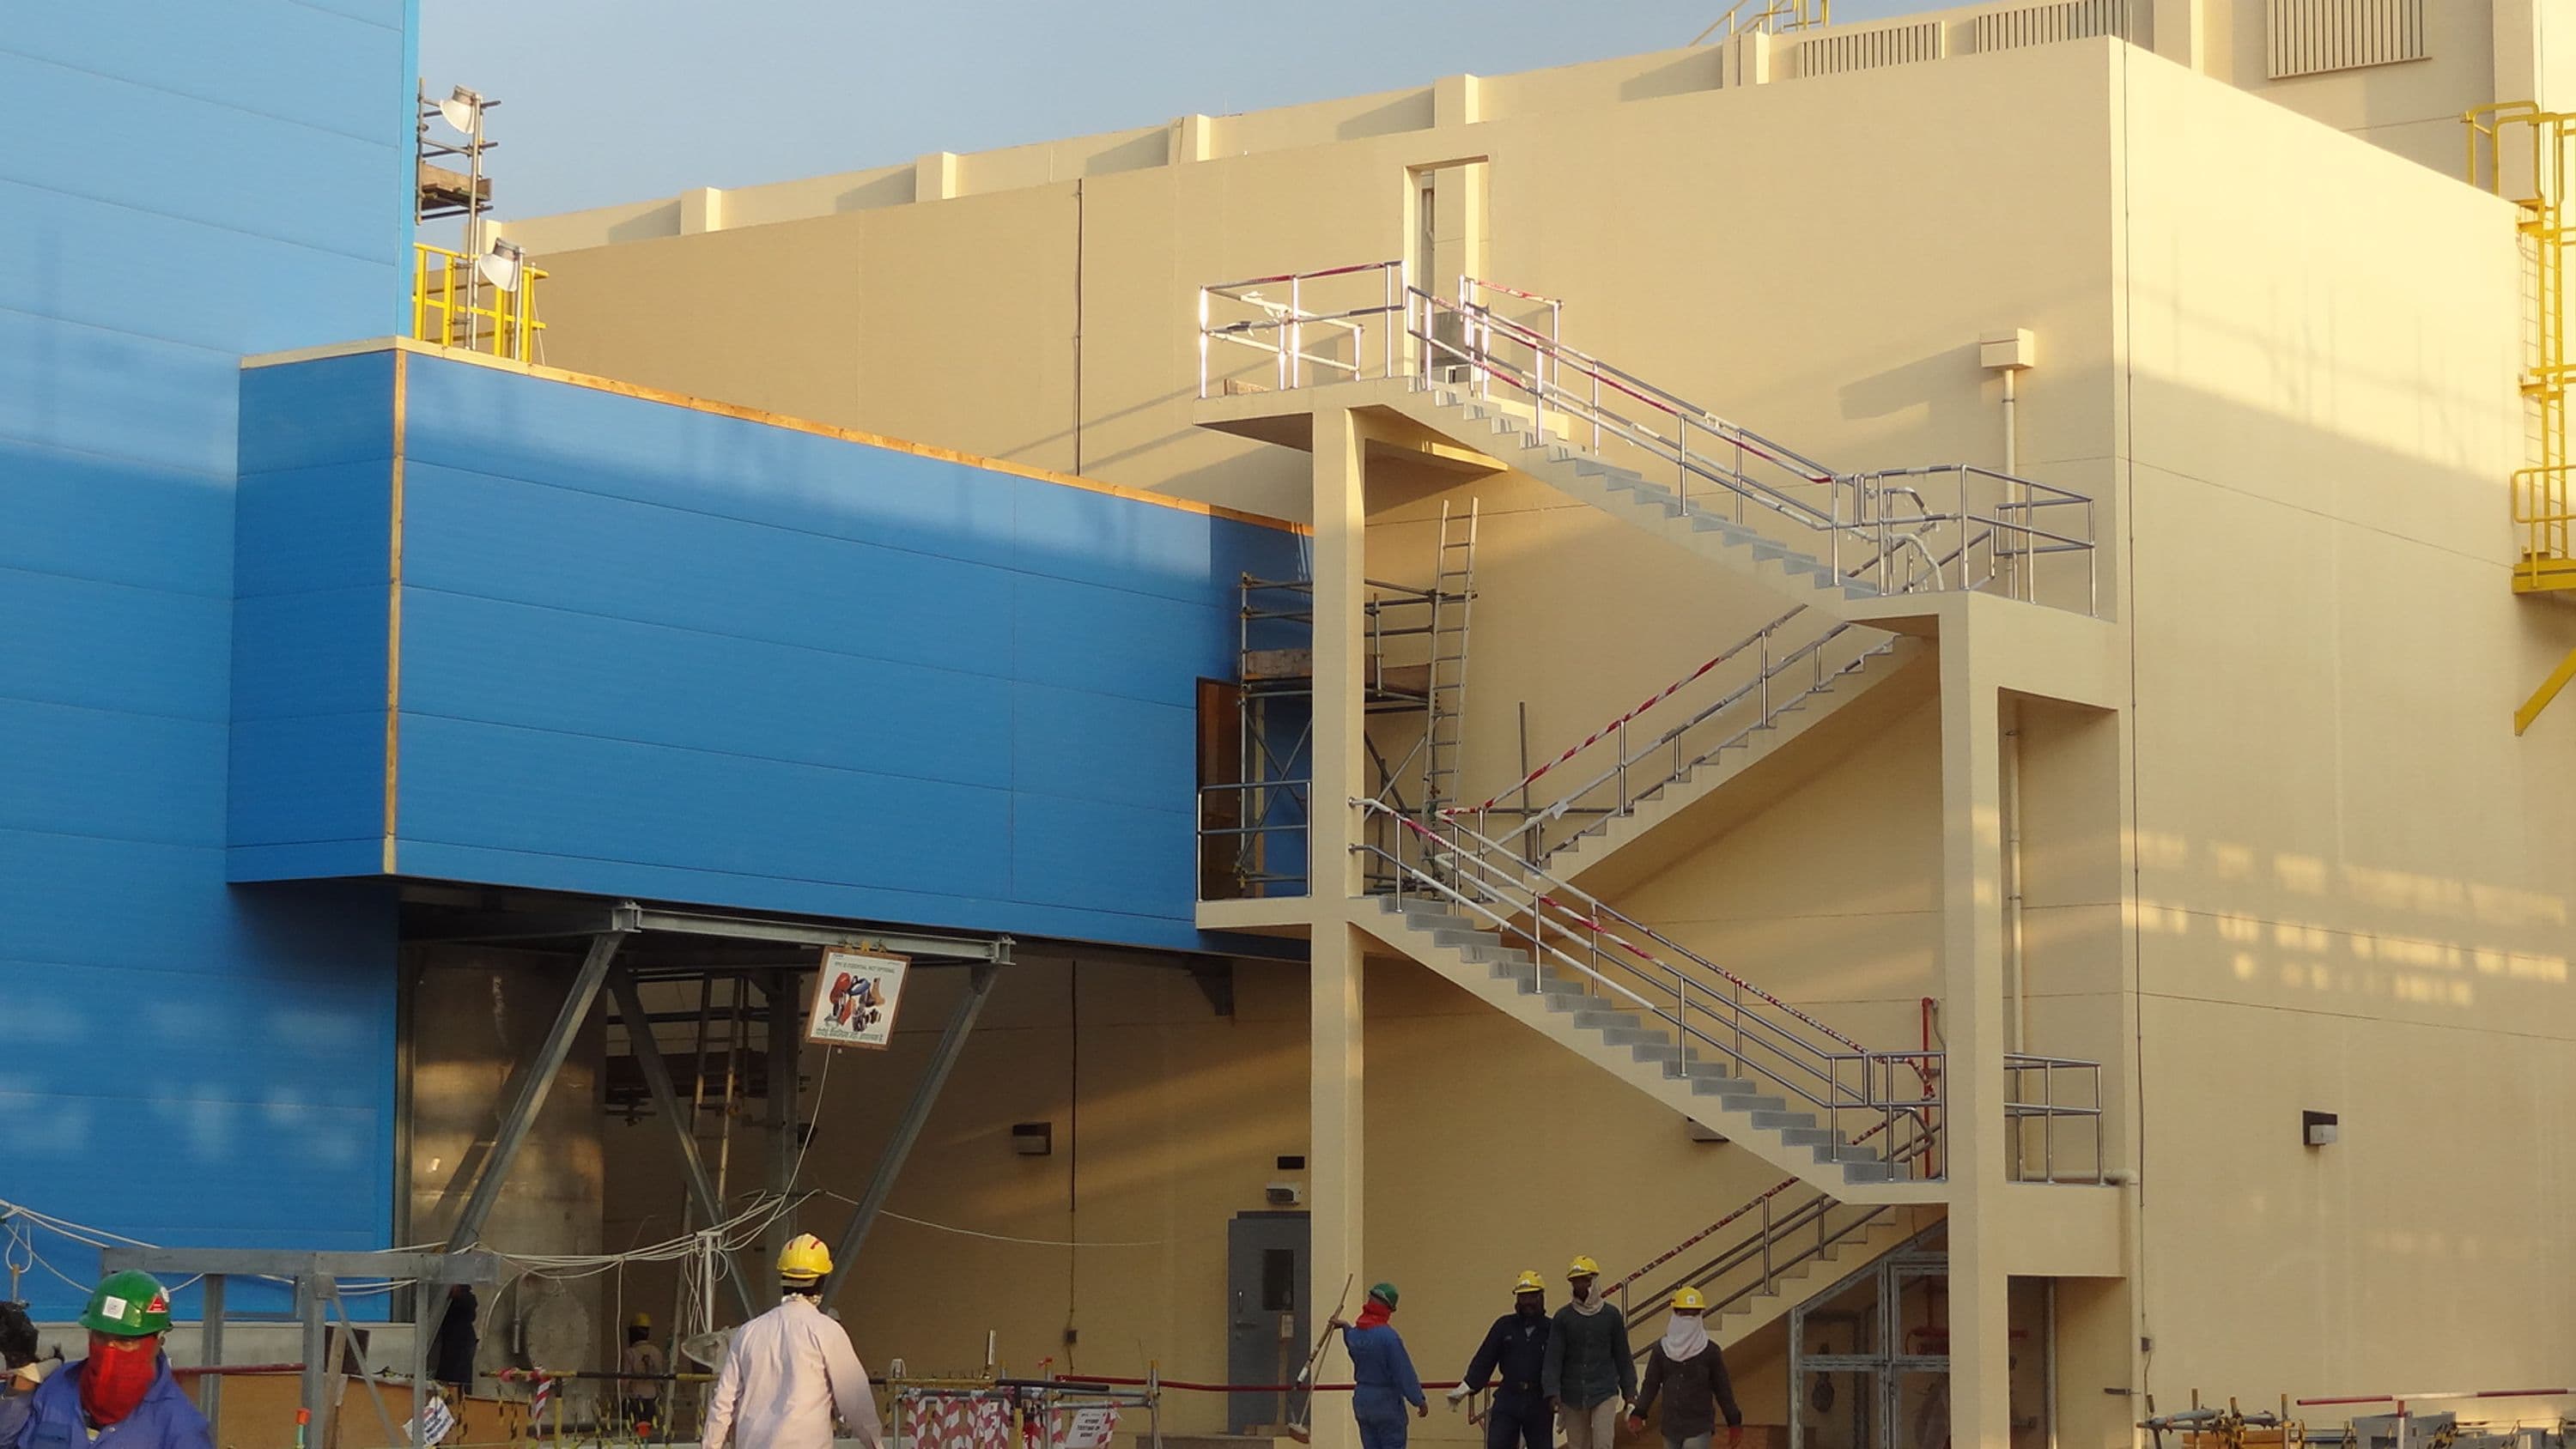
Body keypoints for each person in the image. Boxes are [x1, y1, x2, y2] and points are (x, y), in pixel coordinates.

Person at [702, 1234, 882, 1449]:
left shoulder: (749, 1332)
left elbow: (723, 1403)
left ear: (782, 1278)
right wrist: (875, 1444)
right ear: (821, 1280)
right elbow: (856, 1401)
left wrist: (710, 1445)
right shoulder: (827, 1331)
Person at [0, 1270, 212, 1449]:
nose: (110, 1348)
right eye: (101, 1336)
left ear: (158, 1341)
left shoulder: (180, 1426)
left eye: (125, 1340)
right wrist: (22, 1383)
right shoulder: (55, 1388)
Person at [1625, 1288, 1741, 1449]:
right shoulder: (1661, 1350)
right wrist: (1639, 1413)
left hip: (1699, 1425)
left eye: (1693, 1314)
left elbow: (1723, 1389)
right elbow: (1650, 1385)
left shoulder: (1710, 1351)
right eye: (1684, 1313)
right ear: (1675, 1314)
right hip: (1670, 1426)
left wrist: (1734, 1422)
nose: (1688, 1319)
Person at [1448, 1271, 1550, 1449]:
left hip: (1539, 1401)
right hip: (1508, 1397)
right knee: (1497, 1444)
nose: (1527, 1302)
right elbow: (1485, 1358)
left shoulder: (1552, 1329)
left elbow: (1563, 1363)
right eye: (1522, 1297)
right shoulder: (1504, 1326)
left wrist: (1563, 1397)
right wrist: (1467, 1386)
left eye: (1532, 1296)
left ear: (1541, 1297)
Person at [1541, 1256, 1635, 1449]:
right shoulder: (1563, 1317)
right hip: (1571, 1393)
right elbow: (1553, 1358)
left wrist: (1630, 1394)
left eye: (1585, 1279)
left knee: (1603, 1443)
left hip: (1604, 1390)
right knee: (1578, 1445)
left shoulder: (1611, 1316)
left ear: (1594, 1281)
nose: (1580, 1285)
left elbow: (1623, 1357)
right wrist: (1552, 1392)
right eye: (1575, 1281)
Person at [1328, 1283, 1426, 1449]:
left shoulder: (1355, 1335)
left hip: (1363, 1401)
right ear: (1388, 1308)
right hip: (1386, 1402)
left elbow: (1353, 1344)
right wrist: (1419, 1400)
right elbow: (1403, 1372)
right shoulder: (1389, 1338)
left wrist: (1345, 1327)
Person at [430, 1282, 479, 1396]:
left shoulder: (463, 1303)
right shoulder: (460, 1303)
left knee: (456, 1380)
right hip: (455, 1345)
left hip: (458, 1347)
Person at [620, 1313, 666, 1430]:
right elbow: (660, 1378)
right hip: (653, 1397)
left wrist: (621, 1396)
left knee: (635, 1429)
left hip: (635, 1397)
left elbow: (626, 1378)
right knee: (648, 1429)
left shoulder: (630, 1353)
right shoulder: (656, 1352)